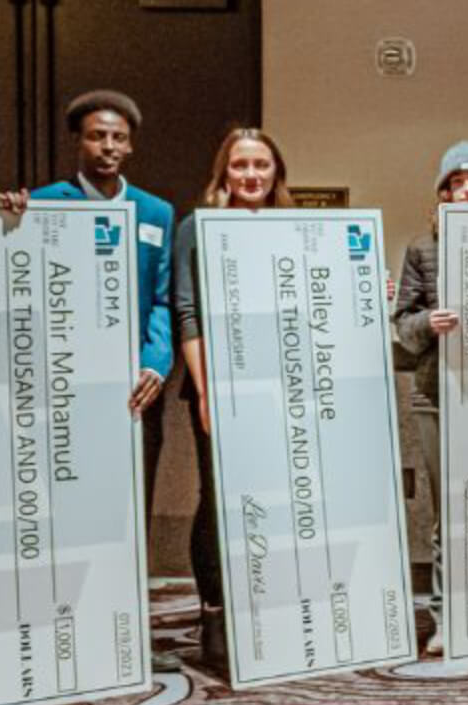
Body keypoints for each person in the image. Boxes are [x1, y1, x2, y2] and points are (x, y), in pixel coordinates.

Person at [0, 89, 180, 672]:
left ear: (131, 144)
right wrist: (7, 224)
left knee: (127, 509)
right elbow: (7, 275)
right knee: (63, 510)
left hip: (132, 392)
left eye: (118, 137)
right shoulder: (41, 204)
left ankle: (123, 632)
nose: (108, 147)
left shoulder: (156, 213)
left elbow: (162, 299)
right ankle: (57, 627)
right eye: (98, 135)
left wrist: (156, 361)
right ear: (78, 141)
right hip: (61, 391)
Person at [170, 127, 298, 670]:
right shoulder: (196, 228)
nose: (251, 176)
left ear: (276, 174)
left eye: (261, 166)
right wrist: (205, 390)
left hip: (281, 387)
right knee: (219, 501)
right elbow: (186, 310)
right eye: (240, 166)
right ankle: (215, 613)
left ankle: (268, 608)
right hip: (216, 385)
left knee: (277, 498)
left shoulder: (294, 229)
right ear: (224, 173)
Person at [390, 140, 468, 654]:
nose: (466, 191)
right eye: (456, 183)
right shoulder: (422, 249)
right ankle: (446, 617)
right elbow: (401, 324)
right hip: (437, 393)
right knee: (449, 512)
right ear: (443, 193)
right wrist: (427, 323)